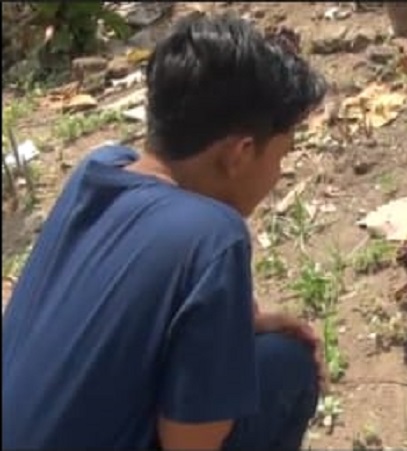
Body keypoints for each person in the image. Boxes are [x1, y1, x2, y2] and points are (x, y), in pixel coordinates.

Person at [2, 14, 328, 451]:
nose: (279, 173)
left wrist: (235, 326)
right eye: (281, 155)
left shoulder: (97, 171)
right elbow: (189, 445)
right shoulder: (214, 234)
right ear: (240, 153)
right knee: (284, 366)